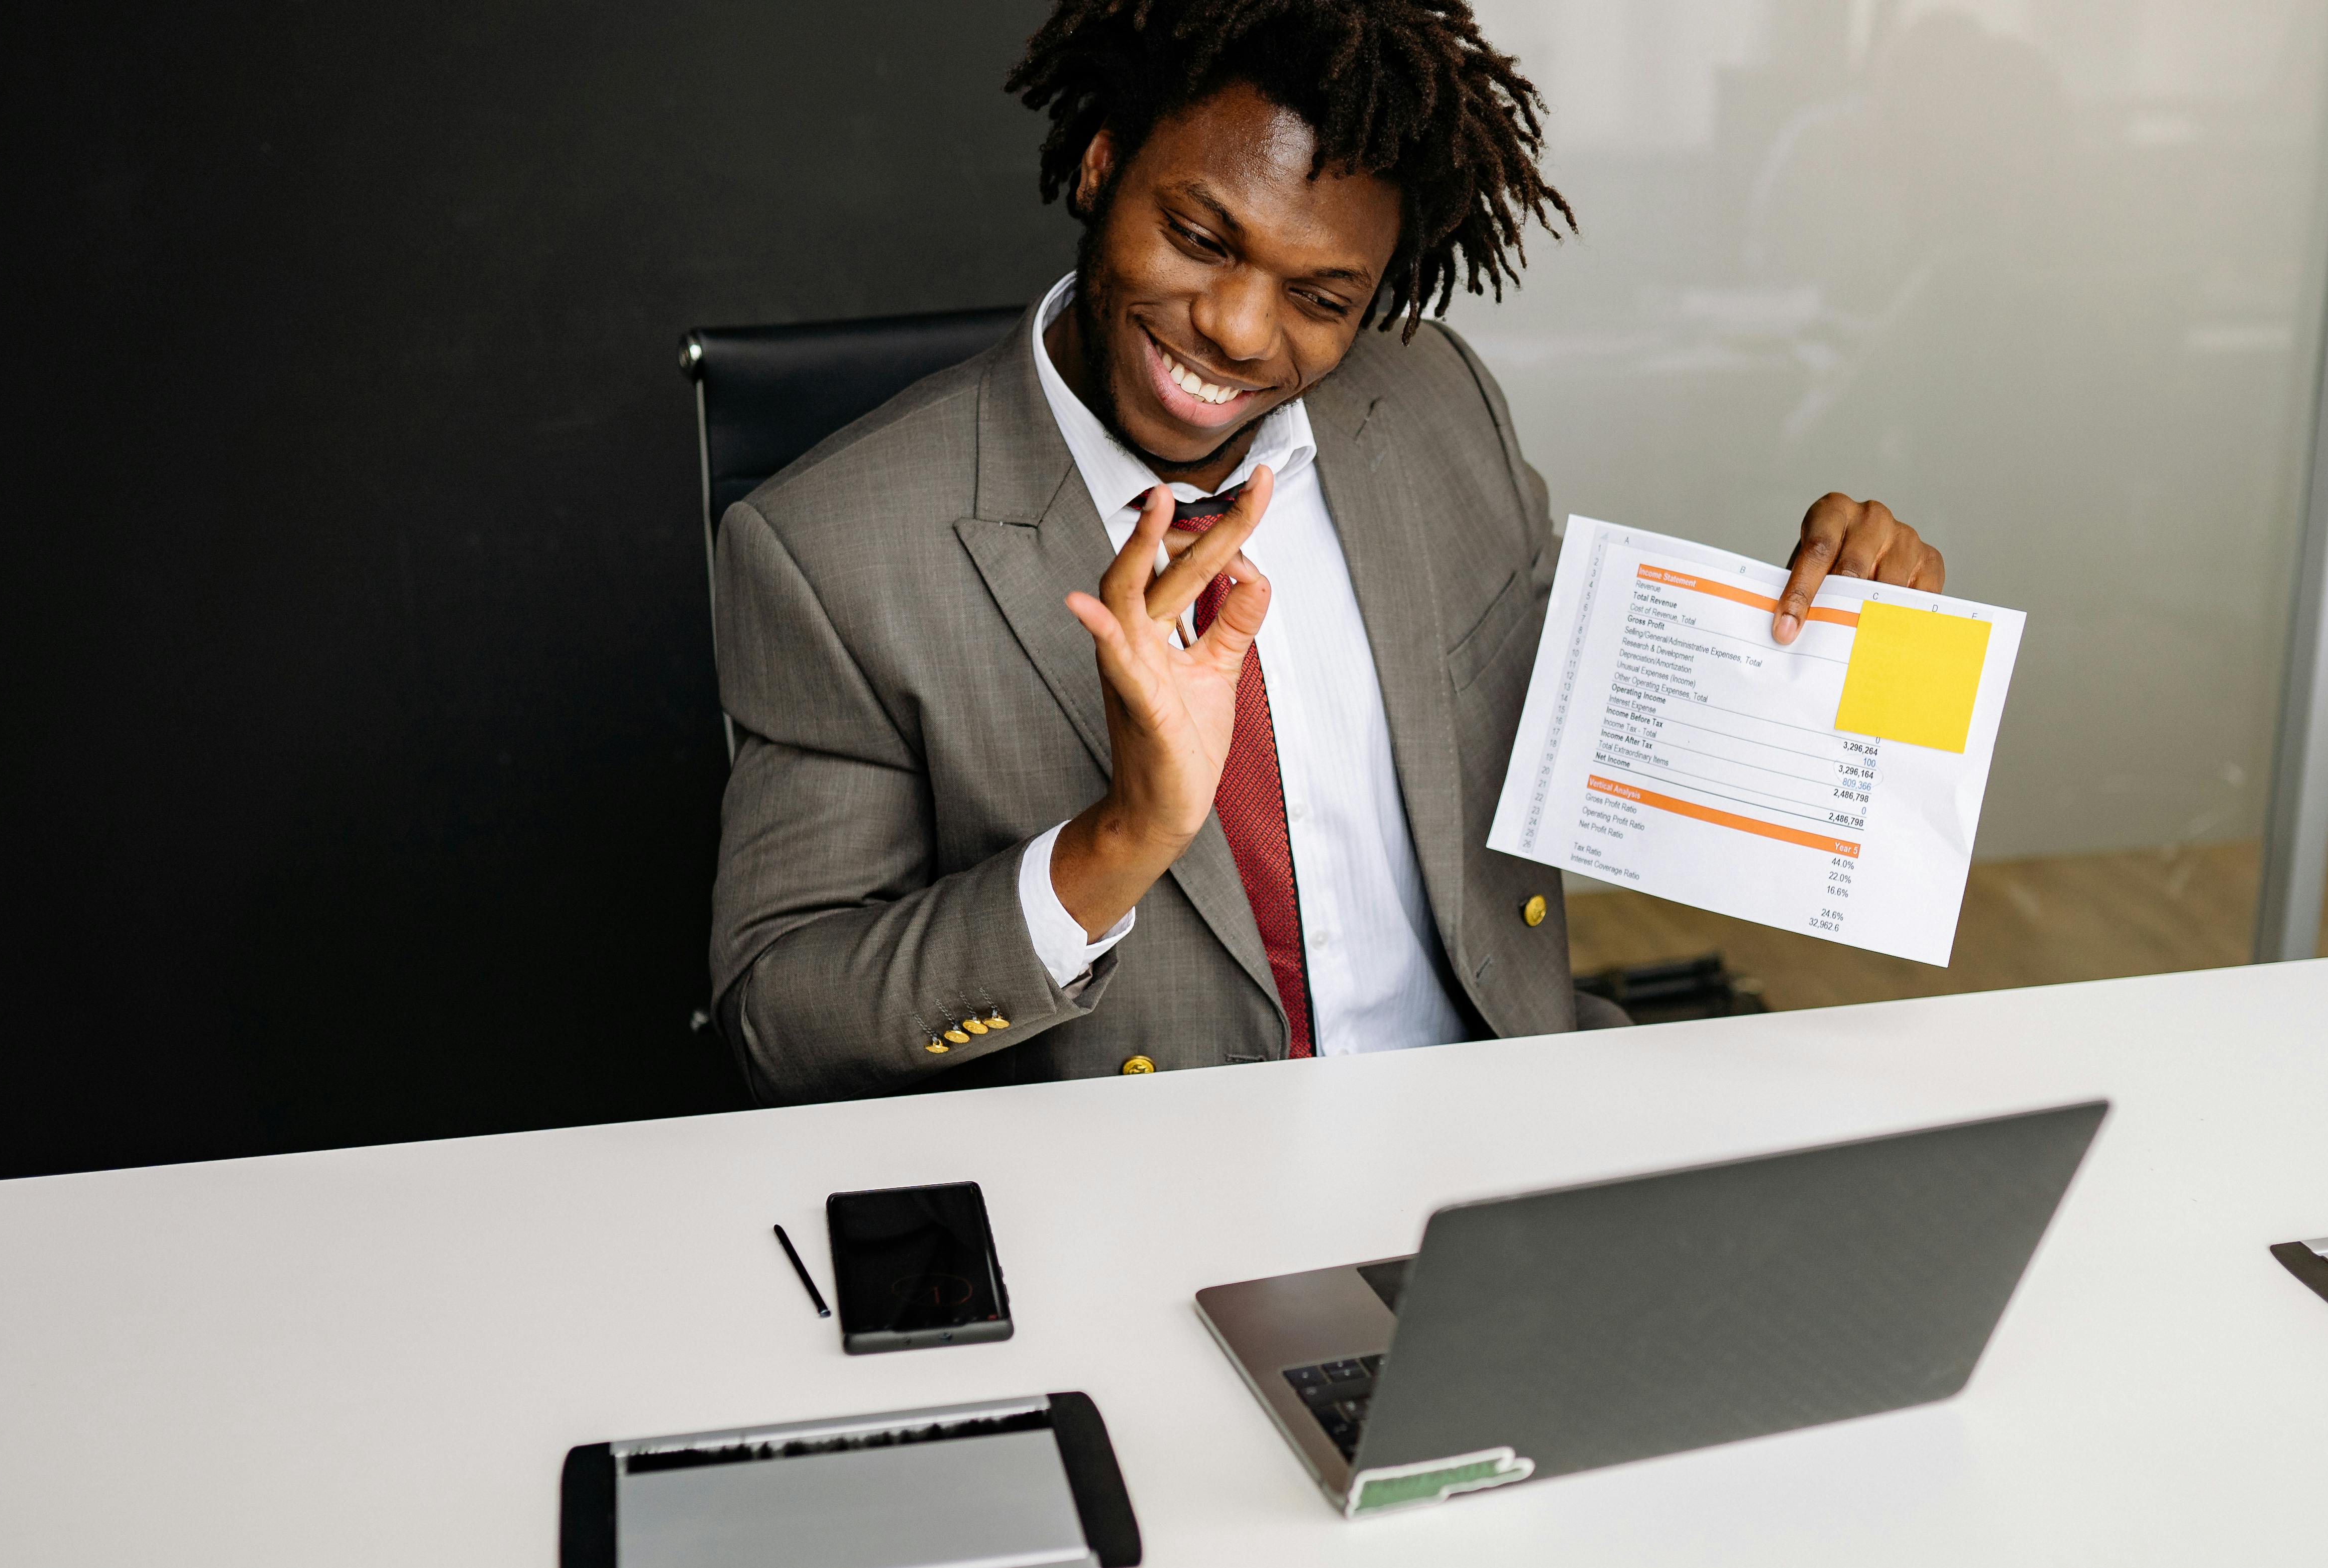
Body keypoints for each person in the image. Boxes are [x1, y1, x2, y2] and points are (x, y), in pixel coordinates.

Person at [708, 0, 1947, 1105]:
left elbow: (1593, 730)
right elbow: (783, 1020)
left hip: (1507, 1136)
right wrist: (1121, 840)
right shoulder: (830, 552)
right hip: (1142, 1211)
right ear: (1100, 166)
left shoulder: (1425, 404)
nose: (1237, 331)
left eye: (1319, 299)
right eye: (1201, 236)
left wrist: (1848, 649)